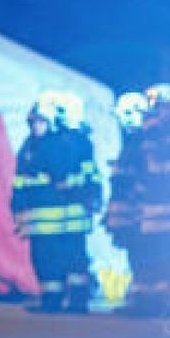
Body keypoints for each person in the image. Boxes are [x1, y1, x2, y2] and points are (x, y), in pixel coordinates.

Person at [130, 83, 170, 317]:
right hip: (151, 210)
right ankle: (151, 301)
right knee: (151, 256)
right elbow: (141, 168)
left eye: (163, 108)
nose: (159, 114)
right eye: (156, 109)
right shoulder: (148, 134)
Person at [49, 92, 101, 314]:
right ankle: (66, 298)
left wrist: (74, 184)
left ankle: (79, 299)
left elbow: (89, 174)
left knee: (76, 255)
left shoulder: (80, 142)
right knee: (62, 254)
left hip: (76, 207)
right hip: (65, 209)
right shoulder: (62, 140)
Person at [12, 98, 64, 311]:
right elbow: (19, 178)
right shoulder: (28, 146)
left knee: (52, 257)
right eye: (33, 122)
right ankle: (48, 298)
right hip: (35, 215)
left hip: (52, 213)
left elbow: (58, 177)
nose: (36, 127)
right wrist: (16, 203)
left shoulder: (56, 145)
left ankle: (54, 301)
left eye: (40, 122)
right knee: (40, 257)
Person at [105, 92, 148, 311]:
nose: (124, 122)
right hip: (131, 213)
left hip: (141, 213)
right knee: (136, 255)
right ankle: (138, 297)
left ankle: (145, 299)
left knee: (144, 255)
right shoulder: (132, 143)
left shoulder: (144, 143)